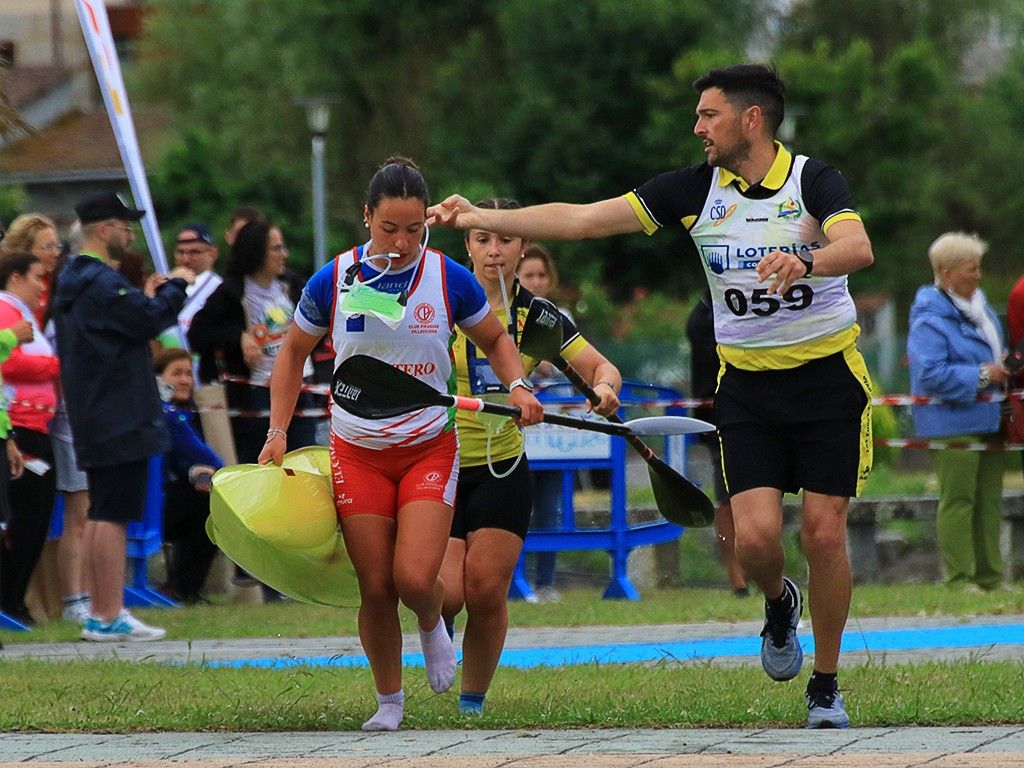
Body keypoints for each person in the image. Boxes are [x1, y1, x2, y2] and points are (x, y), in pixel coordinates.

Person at [429, 63, 875, 729]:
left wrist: (806, 260)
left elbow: (858, 246)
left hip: (827, 380)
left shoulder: (814, 180)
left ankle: (826, 685)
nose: (697, 127)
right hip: (747, 387)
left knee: (823, 533)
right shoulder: (691, 190)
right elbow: (582, 220)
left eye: (709, 115)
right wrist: (483, 215)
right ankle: (780, 602)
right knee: (753, 541)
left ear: (750, 120)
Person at [258, 157, 543, 732]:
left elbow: (494, 338)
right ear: (367, 219)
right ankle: (389, 701)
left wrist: (516, 384)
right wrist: (277, 432)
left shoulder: (447, 278)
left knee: (416, 579)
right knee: (378, 585)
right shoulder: (332, 278)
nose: (404, 241)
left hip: (427, 448)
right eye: (390, 229)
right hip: (356, 449)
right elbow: (290, 355)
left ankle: (433, 625)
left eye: (415, 230)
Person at [440, 199, 620, 716]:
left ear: (522, 246)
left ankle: (470, 707)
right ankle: (437, 633)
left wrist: (604, 389)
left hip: (503, 470)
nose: (494, 251)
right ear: (467, 247)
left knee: (486, 591)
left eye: (504, 239)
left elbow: (600, 366)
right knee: (445, 593)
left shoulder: (538, 317)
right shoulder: (438, 303)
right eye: (482, 239)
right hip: (439, 466)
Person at [53, 190, 193, 642]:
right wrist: (178, 285)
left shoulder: (74, 279)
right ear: (103, 229)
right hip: (118, 411)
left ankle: (100, 610)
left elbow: (127, 317)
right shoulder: (97, 281)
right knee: (114, 513)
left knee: (102, 511)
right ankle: (109, 613)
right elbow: (147, 319)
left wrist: (145, 296)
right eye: (125, 226)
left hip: (94, 410)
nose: (130, 235)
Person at [907, 232, 1008, 592]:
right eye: (971, 269)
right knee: (959, 500)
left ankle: (991, 577)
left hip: (990, 419)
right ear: (946, 273)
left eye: (980, 267)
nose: (979, 275)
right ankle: (959, 578)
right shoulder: (929, 319)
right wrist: (983, 375)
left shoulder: (981, 310)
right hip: (951, 422)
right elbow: (930, 373)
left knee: (989, 501)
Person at [0, 250, 60, 624]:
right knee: (23, 516)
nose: (42, 286)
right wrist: (56, 364)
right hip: (19, 425)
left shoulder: (24, 316)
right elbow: (9, 362)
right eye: (37, 277)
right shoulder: (6, 309)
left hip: (33, 426)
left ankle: (15, 599)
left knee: (35, 516)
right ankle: (9, 599)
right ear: (15, 277)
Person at [515, 243, 571, 601]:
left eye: (541, 275)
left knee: (550, 507)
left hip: (553, 430)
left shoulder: (560, 318)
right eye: (528, 276)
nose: (535, 282)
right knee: (515, 506)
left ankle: (546, 581)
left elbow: (580, 367)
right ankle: (509, 581)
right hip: (511, 433)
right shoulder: (499, 316)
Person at [685, 290, 748, 597]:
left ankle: (758, 569)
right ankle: (737, 578)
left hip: (760, 409)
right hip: (719, 417)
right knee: (727, 499)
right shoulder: (702, 318)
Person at [154, 348, 223, 603]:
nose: (184, 380)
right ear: (158, 378)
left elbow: (181, 459)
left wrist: (193, 471)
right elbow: (207, 457)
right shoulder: (170, 414)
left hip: (164, 499)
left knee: (204, 506)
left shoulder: (181, 413)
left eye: (188, 373)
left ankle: (183, 588)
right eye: (176, 373)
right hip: (151, 506)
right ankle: (184, 589)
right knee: (211, 507)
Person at [157, 223, 223, 351]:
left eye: (194, 252)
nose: (186, 259)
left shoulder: (220, 288)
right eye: (180, 252)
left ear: (213, 253)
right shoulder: (162, 284)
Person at [0, 213, 62, 326]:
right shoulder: (10, 291)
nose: (56, 253)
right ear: (24, 250)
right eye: (48, 247)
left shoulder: (58, 282)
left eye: (57, 246)